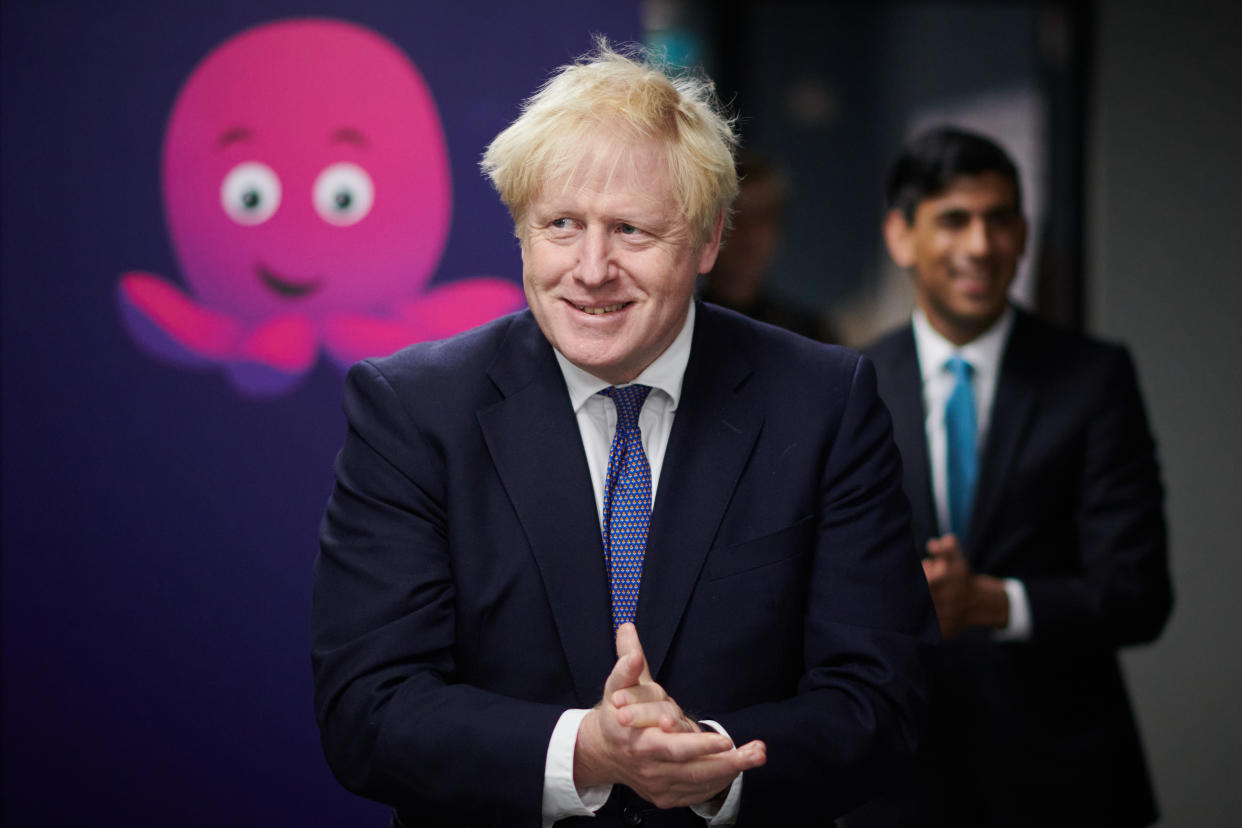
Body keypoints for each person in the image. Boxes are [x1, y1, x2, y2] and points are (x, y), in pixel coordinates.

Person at [311, 42, 938, 828]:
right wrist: (584, 751)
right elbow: (369, 709)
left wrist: (711, 760)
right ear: (521, 233)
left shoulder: (824, 403)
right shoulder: (410, 411)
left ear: (710, 241)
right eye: (562, 225)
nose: (592, 267)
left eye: (633, 230)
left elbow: (885, 696)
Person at [846, 126, 1173, 827]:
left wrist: (995, 603)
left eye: (1000, 220)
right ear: (901, 237)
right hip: (894, 782)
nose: (980, 246)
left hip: (1064, 782)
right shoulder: (848, 386)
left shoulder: (1092, 380)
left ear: (1024, 235)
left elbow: (1140, 594)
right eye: (953, 220)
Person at [700, 151, 835, 343]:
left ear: (779, 229)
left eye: (762, 217)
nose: (749, 233)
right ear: (710, 228)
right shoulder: (678, 327)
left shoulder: (809, 337)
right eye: (735, 216)